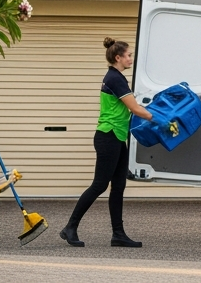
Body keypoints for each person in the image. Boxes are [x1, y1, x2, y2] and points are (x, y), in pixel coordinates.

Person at [60, 38, 162, 248]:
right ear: (118, 57)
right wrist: (160, 119)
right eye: (128, 55)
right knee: (99, 185)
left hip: (117, 136)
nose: (131, 59)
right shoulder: (115, 79)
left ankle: (118, 234)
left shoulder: (117, 78)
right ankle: (70, 227)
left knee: (119, 186)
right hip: (108, 136)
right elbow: (135, 108)